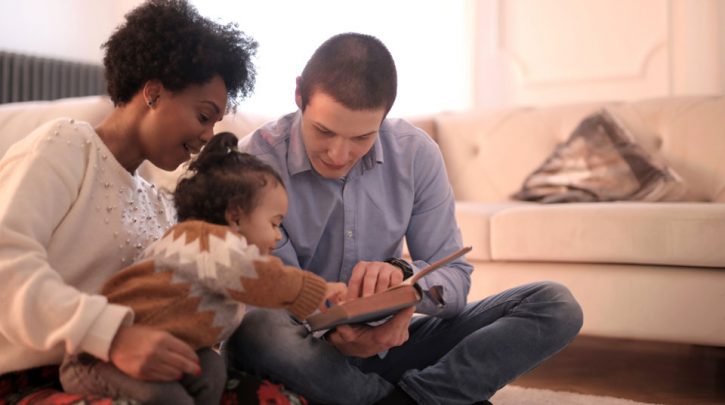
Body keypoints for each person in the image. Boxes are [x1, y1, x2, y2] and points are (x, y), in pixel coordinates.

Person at [228, 32, 584, 405]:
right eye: (324, 131)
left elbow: (456, 281)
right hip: (303, 354)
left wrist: (408, 287)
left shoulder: (415, 154)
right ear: (299, 93)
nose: (338, 153)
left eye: (362, 137)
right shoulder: (254, 161)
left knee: (555, 304)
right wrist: (339, 335)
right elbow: (265, 299)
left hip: (391, 347)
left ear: (385, 115)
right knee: (259, 330)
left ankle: (404, 400)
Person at [0, 0, 257, 401]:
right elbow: (5, 264)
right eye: (204, 116)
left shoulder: (159, 203)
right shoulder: (65, 146)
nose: (209, 136)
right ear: (153, 93)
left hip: (119, 370)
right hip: (27, 375)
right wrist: (114, 336)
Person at [59, 132, 347, 404]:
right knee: (170, 399)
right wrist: (314, 289)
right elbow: (260, 277)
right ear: (235, 217)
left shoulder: (212, 253)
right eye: (274, 223)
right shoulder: (205, 243)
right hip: (97, 360)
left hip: (167, 350)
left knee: (211, 371)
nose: (277, 236)